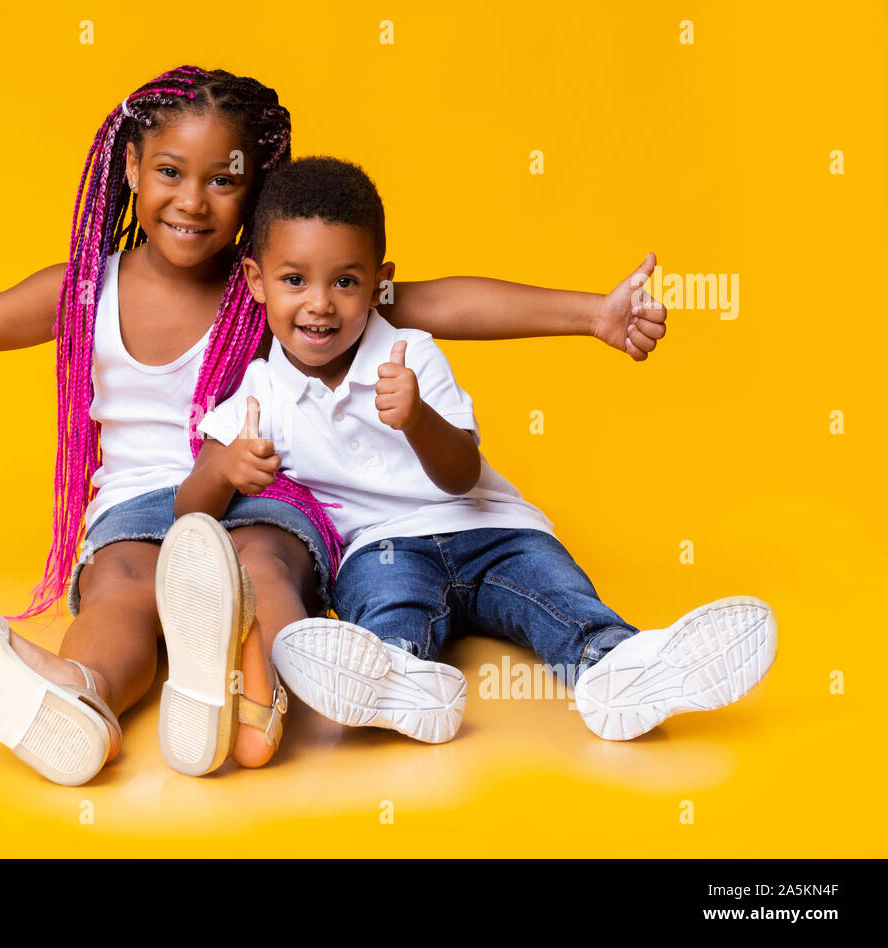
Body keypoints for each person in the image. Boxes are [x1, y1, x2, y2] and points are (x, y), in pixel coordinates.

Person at [0, 67, 668, 785]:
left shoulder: (281, 287)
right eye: (170, 171)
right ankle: (76, 700)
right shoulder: (83, 291)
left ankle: (266, 689)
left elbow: (436, 301)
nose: (193, 200)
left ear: (259, 193)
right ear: (130, 168)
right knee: (124, 584)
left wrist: (591, 313)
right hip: (140, 503)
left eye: (224, 180)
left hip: (263, 485)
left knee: (260, 562)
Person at [177, 156, 775, 747]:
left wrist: (417, 418)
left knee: (556, 597)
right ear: (256, 281)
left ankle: (620, 666)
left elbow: (461, 475)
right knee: (386, 613)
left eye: (345, 281)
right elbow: (188, 509)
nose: (320, 304)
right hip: (379, 548)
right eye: (293, 280)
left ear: (379, 280)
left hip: (493, 530)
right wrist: (226, 469)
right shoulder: (258, 392)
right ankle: (402, 684)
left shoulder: (411, 352)